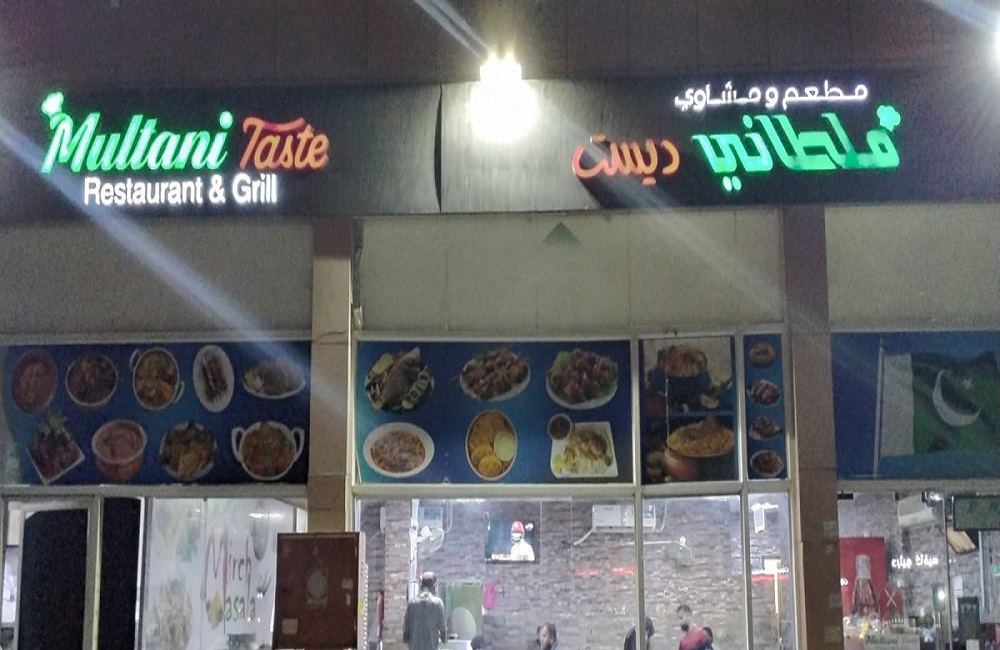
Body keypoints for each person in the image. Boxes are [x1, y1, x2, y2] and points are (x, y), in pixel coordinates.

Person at [403, 572, 447, 650]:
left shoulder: (412, 603)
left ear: (421, 585)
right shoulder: (437, 603)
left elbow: (405, 636)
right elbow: (444, 635)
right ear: (434, 586)